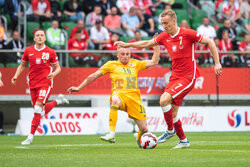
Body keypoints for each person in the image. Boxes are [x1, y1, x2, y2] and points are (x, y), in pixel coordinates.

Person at [115, 9, 222, 149]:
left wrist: (217, 63)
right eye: (162, 23)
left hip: (188, 77)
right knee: (173, 112)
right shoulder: (164, 36)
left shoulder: (188, 33)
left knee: (163, 100)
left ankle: (170, 131)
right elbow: (147, 43)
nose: (164, 26)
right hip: (175, 77)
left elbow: (210, 42)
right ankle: (183, 140)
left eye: (166, 23)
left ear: (174, 21)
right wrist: (128, 45)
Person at [67, 45, 160, 146]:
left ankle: (139, 139)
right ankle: (111, 134)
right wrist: (79, 87)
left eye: (127, 54)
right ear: (117, 55)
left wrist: (157, 45)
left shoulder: (135, 63)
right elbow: (94, 75)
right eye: (122, 54)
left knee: (144, 129)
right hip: (120, 95)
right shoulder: (111, 64)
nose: (125, 56)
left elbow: (154, 61)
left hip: (134, 99)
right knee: (115, 100)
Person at [11, 29, 69, 145]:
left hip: (45, 83)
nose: (40, 37)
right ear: (34, 38)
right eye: (37, 35)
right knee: (39, 110)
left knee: (37, 109)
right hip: (32, 83)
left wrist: (54, 74)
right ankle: (58, 101)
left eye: (42, 35)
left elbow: (58, 68)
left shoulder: (50, 51)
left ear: (45, 38)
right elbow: (22, 65)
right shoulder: (28, 50)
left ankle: (30, 137)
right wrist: (15, 76)